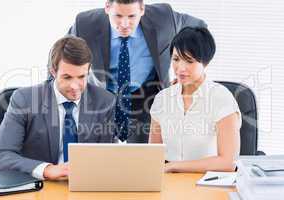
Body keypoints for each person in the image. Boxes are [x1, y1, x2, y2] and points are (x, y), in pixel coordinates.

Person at [62, 0, 207, 143]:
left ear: (142, 9)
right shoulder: (85, 24)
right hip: (101, 98)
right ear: (107, 7)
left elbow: (200, 29)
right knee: (99, 158)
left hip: (145, 96)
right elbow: (61, 56)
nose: (125, 25)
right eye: (118, 16)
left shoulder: (164, 17)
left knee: (143, 158)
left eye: (131, 16)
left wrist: (191, 74)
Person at [0, 36, 116, 180]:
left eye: (81, 77)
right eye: (67, 77)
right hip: (40, 188)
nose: (75, 86)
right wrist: (46, 169)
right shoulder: (25, 100)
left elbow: (108, 158)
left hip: (86, 186)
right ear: (53, 72)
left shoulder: (105, 101)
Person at [149, 27, 241, 172]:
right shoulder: (162, 99)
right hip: (168, 183)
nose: (180, 68)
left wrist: (174, 166)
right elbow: (152, 156)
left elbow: (228, 162)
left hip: (208, 183)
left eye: (189, 61)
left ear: (206, 63)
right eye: (176, 59)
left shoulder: (222, 99)